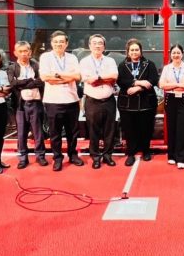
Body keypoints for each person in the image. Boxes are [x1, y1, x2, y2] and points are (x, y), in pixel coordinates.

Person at [40, 31, 83, 171]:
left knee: (73, 132)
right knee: (55, 132)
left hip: (71, 100)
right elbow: (45, 77)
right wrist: (67, 77)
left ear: (66, 44)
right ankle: (57, 158)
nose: (59, 44)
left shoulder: (72, 57)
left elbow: (77, 77)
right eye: (56, 42)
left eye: (61, 42)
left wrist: (57, 76)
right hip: (53, 101)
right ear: (51, 43)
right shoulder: (45, 57)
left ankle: (73, 155)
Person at [116, 39, 159, 166]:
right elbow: (120, 81)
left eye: (136, 49)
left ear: (141, 51)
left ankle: (146, 150)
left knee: (146, 128)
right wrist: (137, 82)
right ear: (128, 52)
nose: (134, 52)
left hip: (147, 102)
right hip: (127, 103)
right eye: (132, 50)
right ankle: (131, 153)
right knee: (129, 129)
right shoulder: (122, 65)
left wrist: (139, 89)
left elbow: (153, 80)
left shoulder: (149, 64)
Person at [80, 34, 119, 169]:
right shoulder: (84, 62)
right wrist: (105, 79)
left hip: (109, 100)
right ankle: (96, 157)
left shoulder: (110, 61)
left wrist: (98, 78)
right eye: (94, 43)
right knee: (93, 130)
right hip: (92, 101)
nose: (97, 46)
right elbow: (89, 80)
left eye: (100, 43)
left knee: (110, 130)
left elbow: (114, 76)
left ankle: (108, 155)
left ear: (104, 46)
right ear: (89, 46)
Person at [7, 41, 47, 169]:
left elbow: (41, 81)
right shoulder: (12, 68)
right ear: (15, 53)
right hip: (20, 104)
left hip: (36, 102)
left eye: (26, 51)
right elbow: (13, 83)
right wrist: (30, 80)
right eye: (21, 51)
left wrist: (23, 83)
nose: (24, 54)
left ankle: (40, 156)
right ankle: (23, 158)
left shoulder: (36, 65)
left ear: (30, 52)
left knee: (38, 132)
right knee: (21, 133)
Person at [159, 44, 184, 169]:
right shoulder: (167, 68)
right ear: (170, 54)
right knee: (171, 128)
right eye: (173, 53)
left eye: (178, 52)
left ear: (182, 54)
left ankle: (181, 158)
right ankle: (172, 156)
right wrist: (178, 85)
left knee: (182, 129)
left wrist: (171, 85)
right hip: (170, 100)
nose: (176, 55)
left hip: (183, 100)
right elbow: (162, 85)